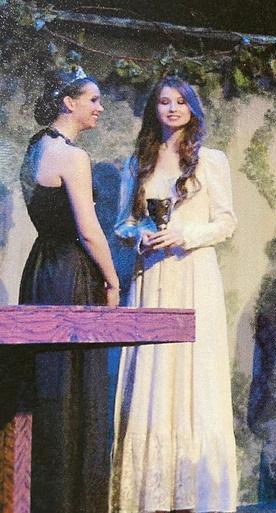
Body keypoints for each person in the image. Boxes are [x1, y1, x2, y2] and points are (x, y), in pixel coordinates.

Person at [109, 76, 238, 513]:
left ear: (192, 108)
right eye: (164, 102)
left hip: (194, 274)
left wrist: (185, 234)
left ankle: (197, 491)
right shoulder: (139, 162)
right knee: (152, 375)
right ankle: (152, 493)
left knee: (195, 374)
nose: (172, 108)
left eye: (181, 101)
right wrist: (140, 235)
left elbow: (226, 222)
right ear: (155, 109)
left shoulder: (211, 160)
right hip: (153, 278)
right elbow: (122, 223)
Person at [18, 68, 120, 513]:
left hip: (41, 269)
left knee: (47, 384)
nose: (99, 107)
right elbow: (89, 231)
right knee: (73, 387)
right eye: (92, 99)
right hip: (71, 275)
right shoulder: (72, 156)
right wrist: (112, 279)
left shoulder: (35, 147)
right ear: (68, 102)